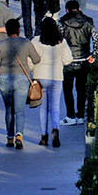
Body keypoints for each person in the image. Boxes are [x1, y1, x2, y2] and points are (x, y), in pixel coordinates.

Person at [0, 16, 36, 150]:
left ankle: (9, 137)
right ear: (18, 29)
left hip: (4, 78)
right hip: (22, 78)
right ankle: (19, 135)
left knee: (9, 110)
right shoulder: (26, 42)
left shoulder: (0, 45)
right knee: (20, 110)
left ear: (6, 31)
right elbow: (36, 59)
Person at [33, 14, 69, 147]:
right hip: (56, 77)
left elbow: (31, 60)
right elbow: (67, 59)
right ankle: (55, 128)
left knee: (43, 108)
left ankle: (44, 136)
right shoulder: (61, 42)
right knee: (55, 107)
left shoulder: (36, 41)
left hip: (40, 77)